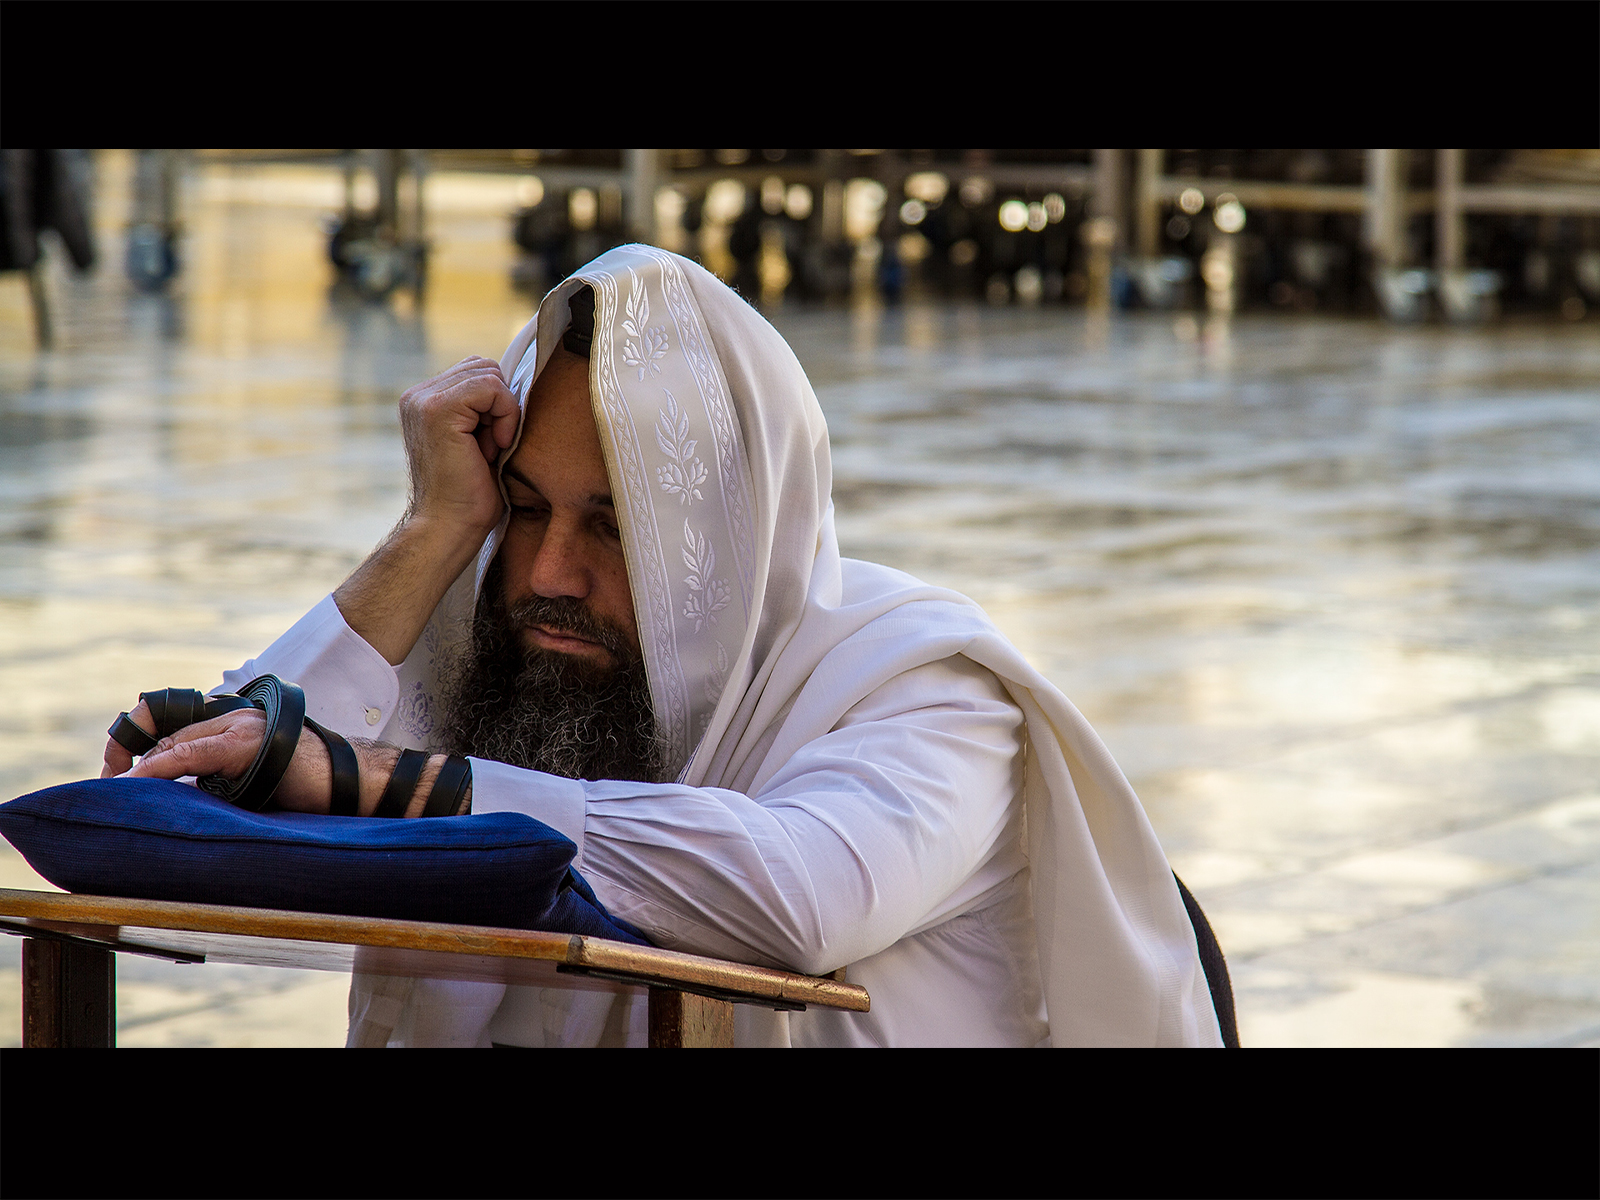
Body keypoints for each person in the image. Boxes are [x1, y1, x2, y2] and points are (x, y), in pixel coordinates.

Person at [104, 244, 1223, 1048]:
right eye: (525, 510)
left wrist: (375, 783)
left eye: (615, 529)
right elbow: (215, 795)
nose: (547, 578)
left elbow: (796, 896)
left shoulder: (926, 688)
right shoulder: (500, 671)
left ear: (731, 545)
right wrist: (434, 531)